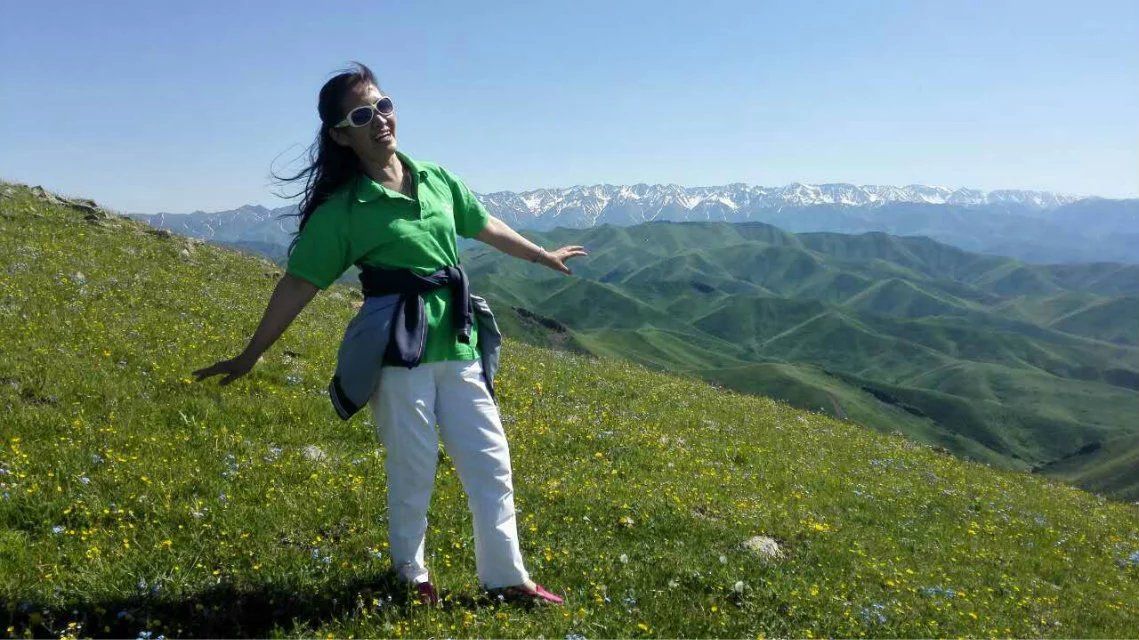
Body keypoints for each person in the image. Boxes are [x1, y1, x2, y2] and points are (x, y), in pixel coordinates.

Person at [192, 61, 587, 606]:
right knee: (413, 466)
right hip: (399, 352)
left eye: (383, 105)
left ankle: (507, 579)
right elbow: (297, 285)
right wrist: (250, 354)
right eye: (362, 113)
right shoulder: (343, 211)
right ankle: (411, 576)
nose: (380, 118)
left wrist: (542, 255)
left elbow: (483, 224)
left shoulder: (436, 178)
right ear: (340, 135)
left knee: (490, 463)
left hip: (460, 342)